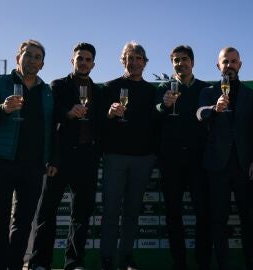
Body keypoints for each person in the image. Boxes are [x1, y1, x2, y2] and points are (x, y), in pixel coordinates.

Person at [0, 40, 54, 270]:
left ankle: (15, 265)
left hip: (33, 166)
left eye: (37, 56)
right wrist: (3, 108)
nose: (32, 59)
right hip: (2, 162)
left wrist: (49, 159)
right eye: (27, 55)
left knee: (23, 224)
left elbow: (52, 128)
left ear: (42, 64)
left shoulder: (47, 92)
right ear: (17, 57)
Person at [28, 43, 101, 270]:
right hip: (60, 159)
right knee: (47, 213)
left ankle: (74, 263)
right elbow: (51, 118)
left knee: (81, 216)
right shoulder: (58, 85)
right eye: (80, 58)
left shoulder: (99, 91)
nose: (84, 63)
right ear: (72, 61)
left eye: (88, 60)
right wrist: (68, 113)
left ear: (93, 64)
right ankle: (40, 262)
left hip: (87, 159)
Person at [196, 47, 253, 270]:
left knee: (247, 218)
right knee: (218, 219)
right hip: (217, 166)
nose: (229, 65)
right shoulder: (208, 92)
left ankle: (249, 262)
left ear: (240, 65)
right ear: (218, 65)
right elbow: (199, 114)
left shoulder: (251, 95)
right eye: (225, 61)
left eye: (233, 61)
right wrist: (214, 108)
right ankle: (223, 264)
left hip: (244, 165)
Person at [100, 41, 158, 270]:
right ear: (122, 60)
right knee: (111, 211)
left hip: (143, 159)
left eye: (138, 58)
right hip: (115, 157)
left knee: (132, 212)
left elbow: (156, 126)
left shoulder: (153, 92)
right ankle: (107, 258)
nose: (134, 62)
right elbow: (98, 124)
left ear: (145, 63)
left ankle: (125, 257)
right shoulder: (109, 87)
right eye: (129, 58)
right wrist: (109, 113)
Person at [156, 45, 212, 270]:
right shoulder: (163, 88)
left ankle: (203, 262)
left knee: (203, 214)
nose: (181, 63)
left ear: (193, 62)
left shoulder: (205, 89)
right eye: (176, 60)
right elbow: (153, 118)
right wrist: (163, 106)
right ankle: (179, 262)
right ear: (172, 64)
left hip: (199, 161)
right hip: (171, 162)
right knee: (173, 215)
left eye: (184, 59)